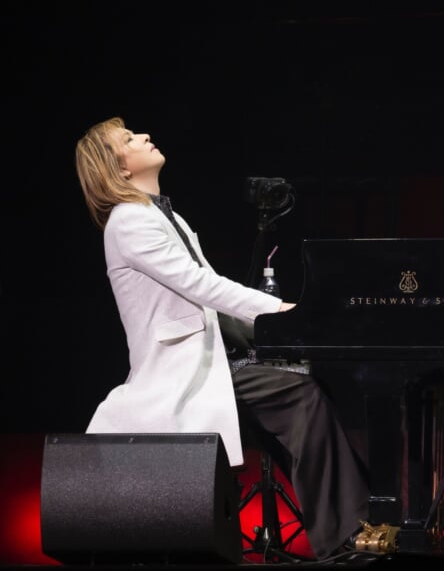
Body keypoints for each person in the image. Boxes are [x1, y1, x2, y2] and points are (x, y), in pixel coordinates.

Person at [74, 116, 369, 558]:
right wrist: (282, 310)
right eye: (130, 139)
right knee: (299, 394)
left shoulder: (163, 215)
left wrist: (283, 327)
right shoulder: (129, 221)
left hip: (215, 356)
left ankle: (349, 525)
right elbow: (203, 287)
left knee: (305, 385)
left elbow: (210, 297)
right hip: (182, 367)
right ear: (119, 168)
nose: (145, 136)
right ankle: (347, 535)